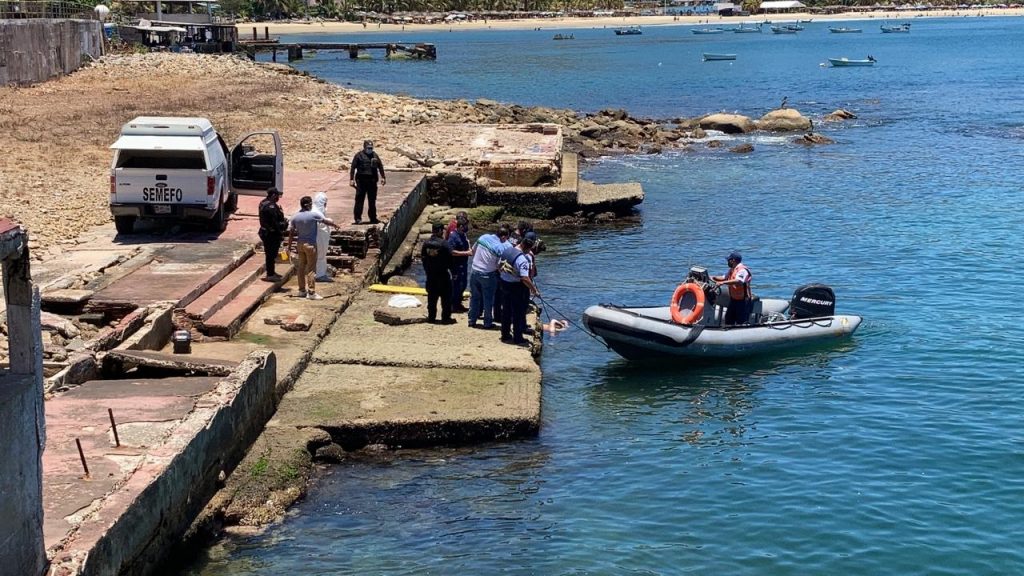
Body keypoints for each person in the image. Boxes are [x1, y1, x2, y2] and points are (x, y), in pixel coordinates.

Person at [287, 195, 339, 300]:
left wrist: (289, 246)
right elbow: (325, 221)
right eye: (311, 204)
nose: (312, 206)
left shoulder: (295, 217)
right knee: (311, 269)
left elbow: (291, 233)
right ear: (307, 205)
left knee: (301, 267)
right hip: (310, 245)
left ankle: (301, 290)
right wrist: (335, 225)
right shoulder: (313, 215)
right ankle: (311, 292)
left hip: (300, 245)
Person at [498, 232, 540, 346]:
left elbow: (499, 266)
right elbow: (525, 278)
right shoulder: (522, 259)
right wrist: (534, 290)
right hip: (516, 287)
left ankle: (505, 335)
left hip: (504, 284)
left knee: (506, 311)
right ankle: (518, 338)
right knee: (518, 313)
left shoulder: (507, 251)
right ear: (527, 247)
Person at [468, 225, 510, 329]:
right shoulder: (499, 247)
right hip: (488, 274)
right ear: (503, 237)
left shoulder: (483, 237)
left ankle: (472, 320)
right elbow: (498, 266)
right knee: (488, 299)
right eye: (506, 238)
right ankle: (487, 323)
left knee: (474, 297)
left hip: (474, 270)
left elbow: (473, 251)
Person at [421, 222, 455, 324]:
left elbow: (423, 258)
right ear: (440, 231)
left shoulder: (426, 243)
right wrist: (453, 272)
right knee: (446, 298)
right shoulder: (444, 244)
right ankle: (445, 318)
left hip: (431, 275)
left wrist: (427, 270)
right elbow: (451, 258)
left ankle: (431, 317)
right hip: (443, 274)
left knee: (432, 298)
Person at [348, 139, 386, 225]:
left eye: (371, 148)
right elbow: (353, 167)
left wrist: (383, 177)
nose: (370, 149)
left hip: (372, 181)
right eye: (368, 148)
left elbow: (380, 166)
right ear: (364, 148)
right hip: (361, 182)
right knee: (359, 200)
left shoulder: (375, 155)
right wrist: (351, 179)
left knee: (372, 200)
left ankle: (373, 218)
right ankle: (358, 218)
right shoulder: (358, 156)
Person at [712, 251, 753, 325]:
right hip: (734, 300)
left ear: (733, 260)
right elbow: (724, 277)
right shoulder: (732, 269)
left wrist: (722, 283)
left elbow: (738, 281)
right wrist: (712, 277)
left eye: (728, 260)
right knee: (728, 319)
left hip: (743, 301)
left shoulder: (742, 270)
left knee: (741, 322)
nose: (727, 262)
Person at [258, 187, 287, 281]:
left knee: (270, 254)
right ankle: (270, 274)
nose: (278, 198)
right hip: (271, 234)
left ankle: (271, 272)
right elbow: (274, 222)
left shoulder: (263, 202)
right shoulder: (271, 206)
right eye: (277, 195)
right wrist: (281, 231)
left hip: (266, 232)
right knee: (271, 254)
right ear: (273, 195)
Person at [448, 217, 472, 313]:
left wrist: (469, 248)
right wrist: (466, 253)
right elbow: (451, 251)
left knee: (463, 284)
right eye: (466, 225)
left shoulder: (463, 235)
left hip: (463, 264)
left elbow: (466, 246)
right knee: (456, 285)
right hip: (456, 265)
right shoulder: (453, 236)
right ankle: (453, 305)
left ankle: (458, 303)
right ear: (461, 226)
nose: (467, 227)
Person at [311, 192, 332, 282]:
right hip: (319, 238)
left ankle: (319, 273)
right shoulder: (316, 212)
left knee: (319, 256)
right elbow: (322, 223)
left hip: (318, 237)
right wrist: (330, 222)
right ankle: (320, 275)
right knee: (321, 256)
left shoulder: (315, 210)